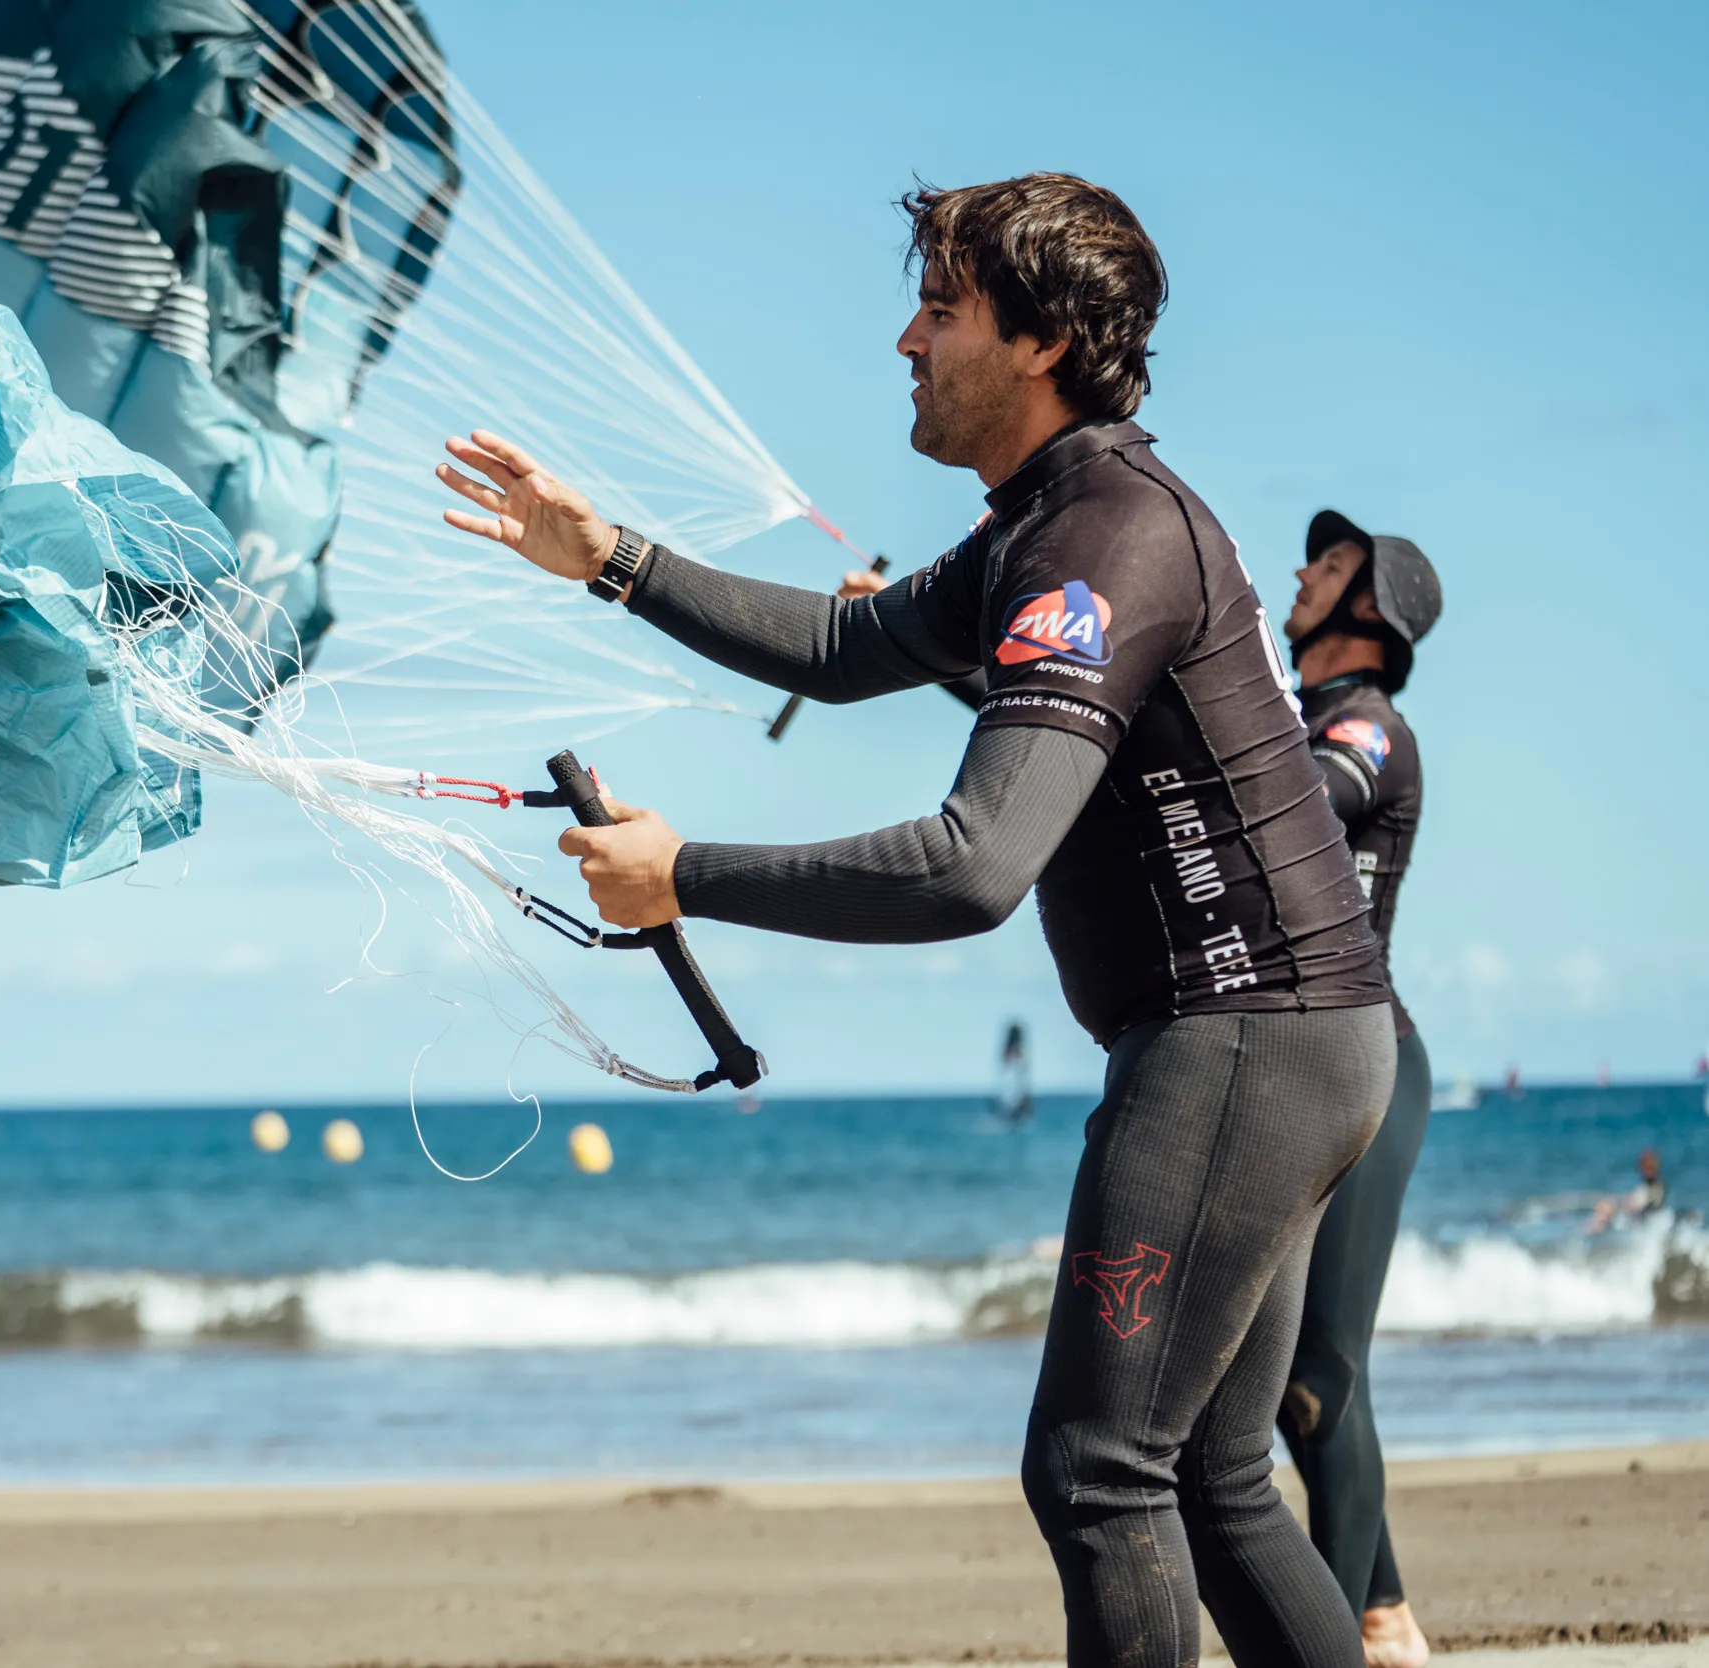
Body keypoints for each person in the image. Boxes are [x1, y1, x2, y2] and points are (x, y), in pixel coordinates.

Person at [437, 172, 1396, 1668]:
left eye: (939, 310)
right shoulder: (1052, 517)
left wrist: (686, 874)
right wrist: (607, 555)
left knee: (1099, 1475)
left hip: (1243, 1040)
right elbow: (840, 644)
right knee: (1207, 1482)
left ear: (1036, 342)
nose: (903, 339)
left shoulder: (1103, 537)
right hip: (1303, 1040)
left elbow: (972, 866)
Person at [1273, 511, 1442, 1668]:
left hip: (1370, 1075)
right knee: (1297, 1377)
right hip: (1300, 1077)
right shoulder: (1302, 725)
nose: (1298, 571)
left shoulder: (1369, 731)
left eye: (1326, 567)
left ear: (1367, 611)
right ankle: (1382, 1620)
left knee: (1316, 1380)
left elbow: (1295, 801)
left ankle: (1343, 1638)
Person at [1588, 1148, 1667, 1232]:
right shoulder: (1654, 1185)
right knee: (1606, 1207)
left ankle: (1592, 1236)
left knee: (1605, 1208)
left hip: (1638, 1222)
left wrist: (1618, 1205)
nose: (1640, 1169)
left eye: (1643, 1165)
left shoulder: (1654, 1187)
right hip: (1636, 1219)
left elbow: (1641, 1206)